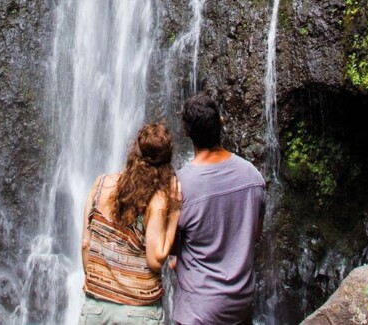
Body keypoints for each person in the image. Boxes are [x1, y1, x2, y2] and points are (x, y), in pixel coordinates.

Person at [172, 92, 266, 324]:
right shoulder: (253, 176)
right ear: (221, 122)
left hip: (198, 309)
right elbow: (254, 234)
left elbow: (171, 247)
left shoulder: (180, 186)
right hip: (241, 303)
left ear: (186, 133)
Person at [80, 123, 181, 325]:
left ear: (134, 150)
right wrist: (175, 214)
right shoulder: (156, 199)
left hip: (97, 308)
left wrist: (100, 285)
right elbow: (156, 259)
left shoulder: (101, 184)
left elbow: (85, 243)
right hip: (139, 311)